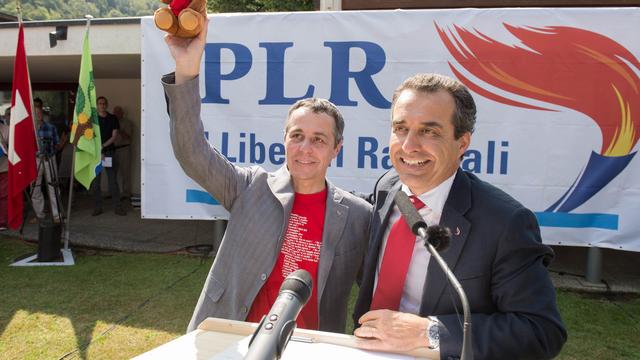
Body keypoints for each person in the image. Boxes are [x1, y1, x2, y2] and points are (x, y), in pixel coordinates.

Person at [162, 20, 371, 333]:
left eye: (319, 139)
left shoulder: (358, 215)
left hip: (310, 351)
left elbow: (376, 291)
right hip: (228, 340)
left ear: (336, 149)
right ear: (284, 139)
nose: (305, 148)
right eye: (297, 135)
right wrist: (187, 68)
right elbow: (191, 152)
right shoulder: (249, 187)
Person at [352, 73, 567, 359]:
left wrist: (428, 332)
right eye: (401, 128)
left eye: (429, 131)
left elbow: (541, 331)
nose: (408, 146)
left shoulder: (505, 223)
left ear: (462, 143)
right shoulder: (388, 187)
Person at [90, 96, 126, 216]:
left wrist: (103, 146)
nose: (102, 105)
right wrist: (97, 147)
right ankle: (97, 207)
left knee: (112, 181)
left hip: (108, 153)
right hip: (96, 155)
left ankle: (118, 207)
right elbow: (88, 135)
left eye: (104, 103)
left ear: (107, 105)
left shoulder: (112, 118)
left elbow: (114, 135)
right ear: (97, 105)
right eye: (100, 103)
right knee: (96, 183)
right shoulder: (92, 119)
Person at [31, 106, 61, 223]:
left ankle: (56, 214)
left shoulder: (51, 127)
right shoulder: (29, 129)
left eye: (39, 113)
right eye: (35, 113)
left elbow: (57, 144)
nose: (37, 114)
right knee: (35, 187)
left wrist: (50, 153)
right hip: (35, 160)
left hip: (49, 159)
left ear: (42, 114)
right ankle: (39, 214)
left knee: (53, 186)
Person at [113, 105, 133, 199]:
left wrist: (118, 130)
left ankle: (126, 193)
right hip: (111, 150)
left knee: (125, 172)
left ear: (122, 113)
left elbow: (129, 137)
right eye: (114, 112)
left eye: (118, 112)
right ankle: (112, 192)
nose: (116, 114)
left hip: (123, 149)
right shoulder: (110, 122)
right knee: (111, 172)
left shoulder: (127, 123)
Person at [0, 119, 9, 230]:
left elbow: (12, 146)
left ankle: (2, 222)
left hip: (4, 167)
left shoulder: (6, 129)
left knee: (3, 195)